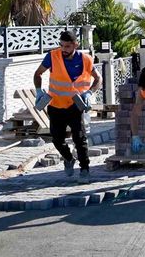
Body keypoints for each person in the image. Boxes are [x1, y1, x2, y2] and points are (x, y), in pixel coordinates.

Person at [34, 31, 102, 184]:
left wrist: (90, 93)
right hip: (56, 105)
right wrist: (39, 91)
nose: (64, 49)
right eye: (62, 45)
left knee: (80, 138)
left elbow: (98, 78)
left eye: (67, 46)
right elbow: (37, 74)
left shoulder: (86, 59)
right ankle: (69, 158)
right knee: (57, 139)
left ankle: (84, 169)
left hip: (75, 106)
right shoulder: (52, 56)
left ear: (75, 45)